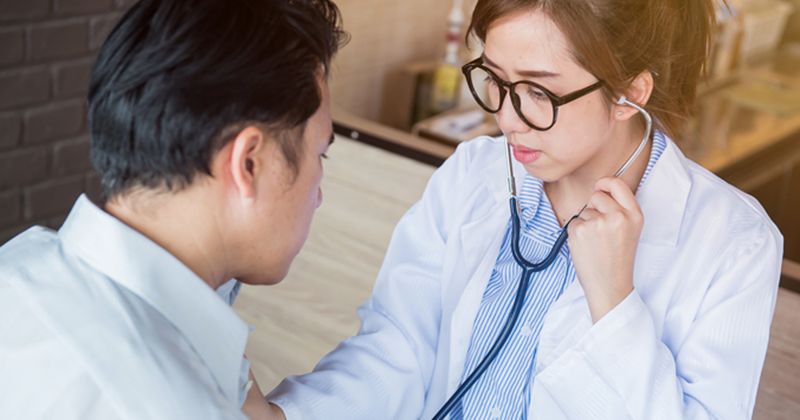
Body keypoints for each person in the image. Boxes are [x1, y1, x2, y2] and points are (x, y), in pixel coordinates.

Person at [267, 0, 783, 419]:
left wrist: (614, 303)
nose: (507, 119)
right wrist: (287, 416)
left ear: (630, 92)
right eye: (495, 78)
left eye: (538, 91)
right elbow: (398, 349)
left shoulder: (734, 242)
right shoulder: (474, 172)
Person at [0, 0, 345, 418]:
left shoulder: (19, 267)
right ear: (249, 164)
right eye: (320, 155)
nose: (319, 195)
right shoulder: (175, 404)